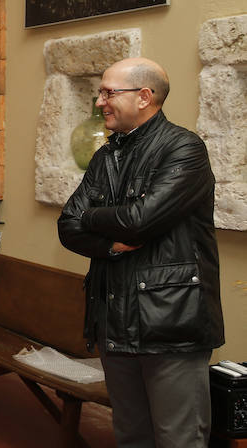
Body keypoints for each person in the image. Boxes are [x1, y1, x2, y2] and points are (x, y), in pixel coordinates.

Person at [57, 57, 224, 447]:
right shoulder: (106, 155)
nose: (100, 102)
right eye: (101, 92)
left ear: (145, 97)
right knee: (131, 435)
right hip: (114, 319)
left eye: (108, 92)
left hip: (170, 325)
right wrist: (111, 243)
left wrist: (93, 216)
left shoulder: (185, 149)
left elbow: (139, 221)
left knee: (178, 438)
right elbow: (67, 226)